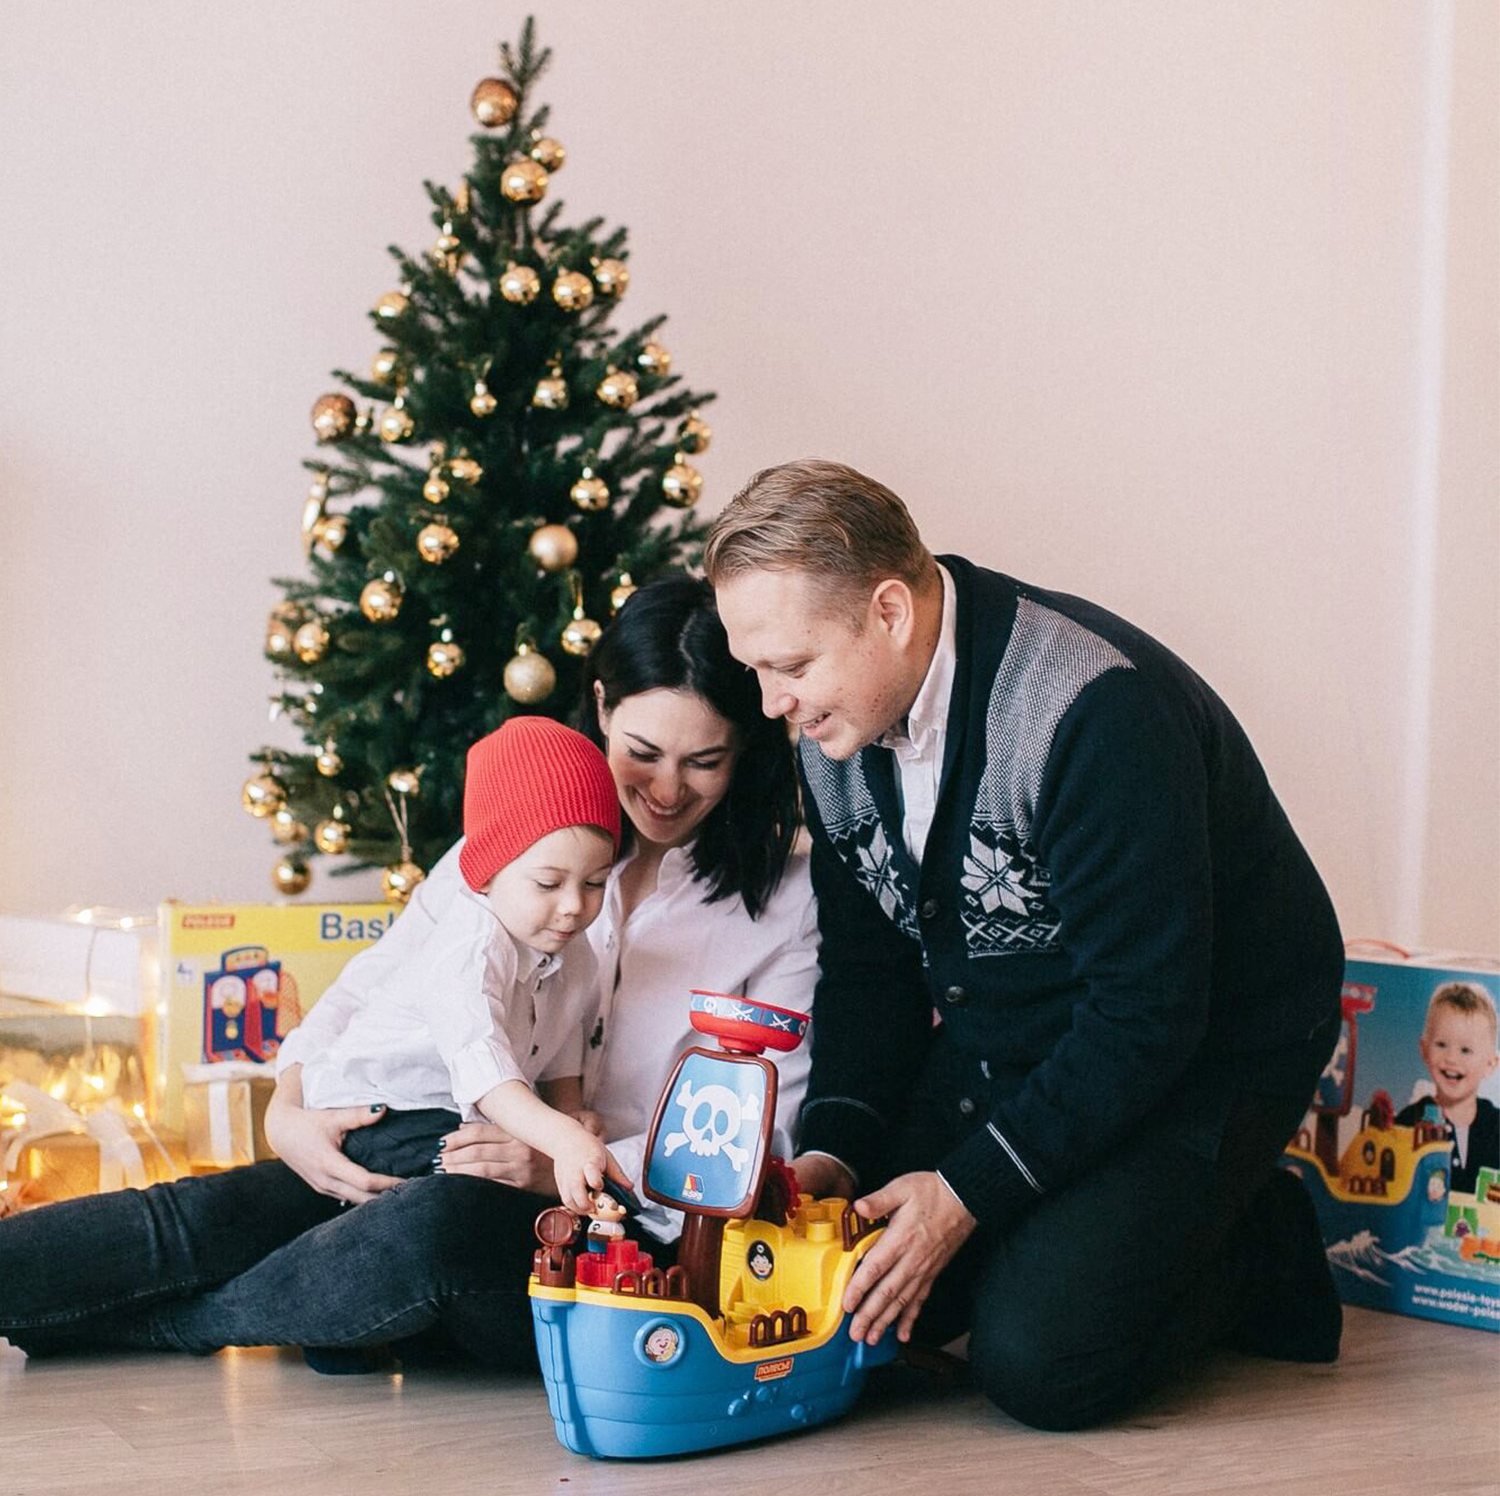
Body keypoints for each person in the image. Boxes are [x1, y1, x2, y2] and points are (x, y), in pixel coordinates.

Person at [0, 575, 817, 1369]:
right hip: (433, 1146)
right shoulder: (512, 848)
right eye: (642, 753)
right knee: (213, 1211)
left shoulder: (785, 903)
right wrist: (290, 1104)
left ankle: (192, 1327)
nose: (667, 790)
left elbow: (763, 1137)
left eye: (705, 761)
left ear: (745, 751)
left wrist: (568, 1162)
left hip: (612, 1233)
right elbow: (373, 980)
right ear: (601, 707)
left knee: (428, 1227)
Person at [705, 458, 1346, 1431]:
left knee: (1042, 1363)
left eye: (790, 667)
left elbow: (1147, 1015)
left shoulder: (1090, 709)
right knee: (873, 1303)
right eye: (756, 669)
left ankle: (1255, 1237)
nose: (770, 705)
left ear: (889, 610)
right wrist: (838, 1149)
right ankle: (1130, 1225)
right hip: (1026, 1023)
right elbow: (873, 969)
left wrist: (966, 1193)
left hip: (1214, 1035)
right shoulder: (832, 735)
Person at [278, 714, 626, 1214]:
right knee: (468, 1186)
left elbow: (561, 1044)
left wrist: (571, 1115)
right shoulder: (470, 948)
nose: (574, 904)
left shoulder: (572, 949)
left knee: (490, 1168)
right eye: (548, 884)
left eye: (595, 882)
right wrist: (562, 1137)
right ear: (486, 875)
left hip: (445, 1114)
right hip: (377, 1109)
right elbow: (483, 1068)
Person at [1394, 981, 1500, 1194]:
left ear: (1490, 1064)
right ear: (1424, 1050)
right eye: (1441, 1045)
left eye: (1466, 1050)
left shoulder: (1496, 1127)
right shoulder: (1407, 1123)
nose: (1451, 1058)